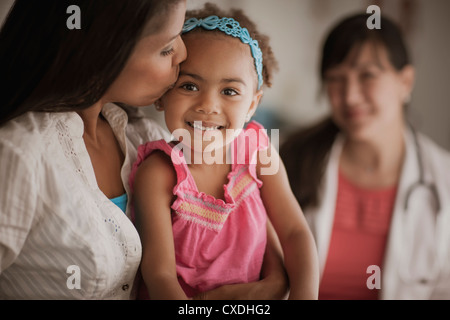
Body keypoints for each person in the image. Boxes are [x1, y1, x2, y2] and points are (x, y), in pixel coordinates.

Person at [0, 0, 288, 300]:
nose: (183, 53)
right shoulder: (19, 155)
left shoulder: (146, 137)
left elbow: (245, 216)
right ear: (105, 50)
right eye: (166, 48)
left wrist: (275, 280)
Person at [129, 3, 319, 300]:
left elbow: (295, 233)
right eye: (189, 86)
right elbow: (160, 274)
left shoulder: (258, 152)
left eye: (229, 91)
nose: (208, 105)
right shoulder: (159, 173)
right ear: (162, 95)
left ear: (253, 105)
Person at [280, 13, 450, 299]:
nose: (350, 97)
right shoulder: (290, 159)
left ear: (405, 81)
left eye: (367, 75)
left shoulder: (443, 179)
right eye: (335, 79)